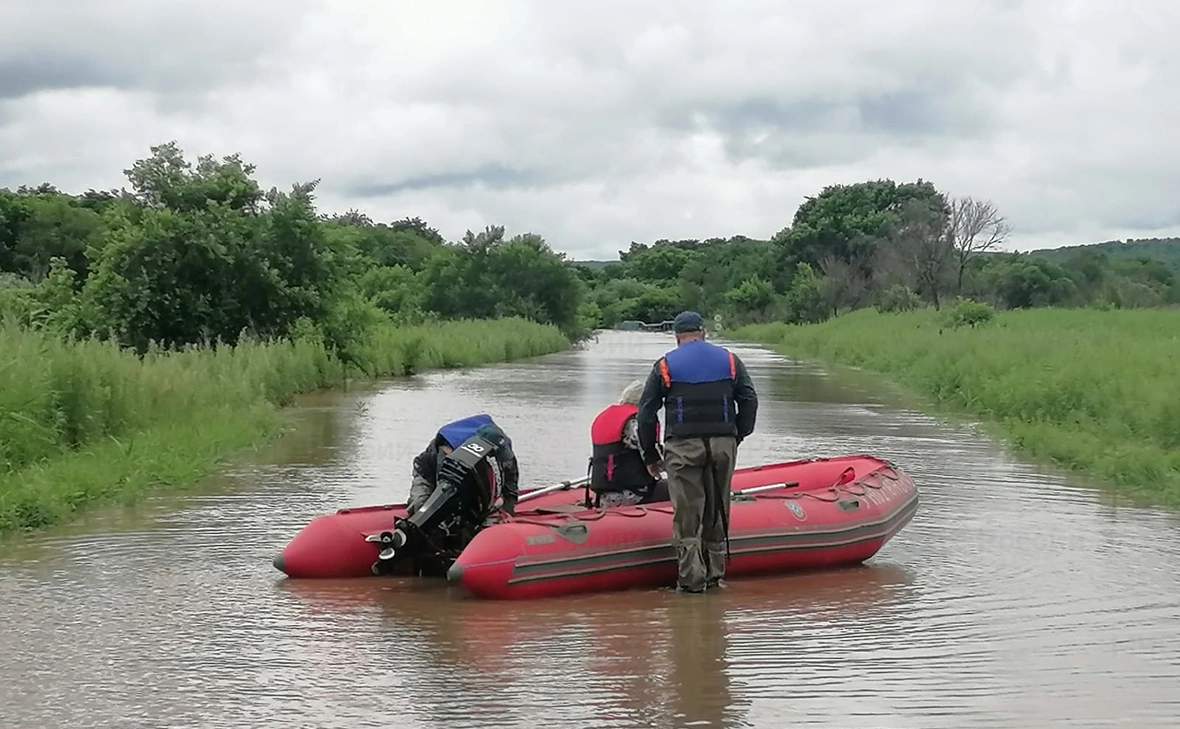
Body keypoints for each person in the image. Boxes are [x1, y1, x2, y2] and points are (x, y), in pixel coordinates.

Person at [636, 311, 758, 593]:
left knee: (688, 515)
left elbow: (646, 413)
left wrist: (651, 457)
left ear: (678, 337)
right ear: (703, 333)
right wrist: (737, 434)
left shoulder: (665, 365)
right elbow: (749, 399)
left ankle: (692, 583)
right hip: (723, 444)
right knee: (717, 509)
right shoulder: (729, 360)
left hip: (682, 447)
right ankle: (715, 577)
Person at [407, 413, 520, 521]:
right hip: (429, 473)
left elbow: (511, 483)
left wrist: (508, 510)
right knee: (422, 507)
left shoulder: (503, 447)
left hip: (470, 476)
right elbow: (443, 483)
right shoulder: (451, 448)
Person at [588, 380, 670, 508]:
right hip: (634, 494)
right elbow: (655, 457)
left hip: (604, 495)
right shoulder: (636, 423)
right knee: (685, 489)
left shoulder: (606, 417)